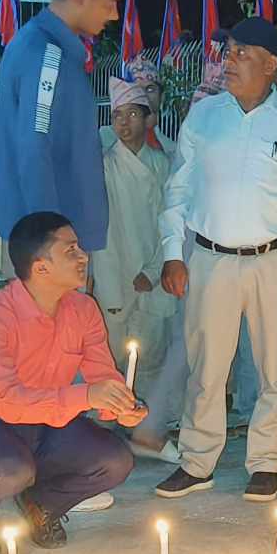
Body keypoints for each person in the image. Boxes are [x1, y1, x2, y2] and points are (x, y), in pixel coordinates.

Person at [153, 17, 277, 503]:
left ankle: (267, 460)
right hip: (210, 257)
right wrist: (173, 252)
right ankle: (197, 460)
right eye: (227, 52)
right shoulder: (204, 117)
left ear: (270, 65)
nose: (227, 62)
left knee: (276, 364)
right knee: (207, 365)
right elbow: (178, 188)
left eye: (239, 54)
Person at [0, 213, 141, 554]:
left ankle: (42, 506)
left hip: (47, 424)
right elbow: (7, 402)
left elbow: (102, 375)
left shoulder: (83, 309)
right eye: (71, 251)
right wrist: (86, 395)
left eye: (79, 248)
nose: (84, 256)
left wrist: (120, 403)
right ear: (41, 268)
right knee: (12, 469)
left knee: (115, 459)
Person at [0, 0, 122, 252]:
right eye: (109, 3)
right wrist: (50, 240)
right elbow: (34, 149)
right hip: (49, 241)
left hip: (55, 234)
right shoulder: (46, 56)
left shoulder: (48, 49)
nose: (115, 15)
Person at [97, 60, 175, 403]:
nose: (123, 123)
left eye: (132, 115)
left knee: (152, 351)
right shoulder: (102, 165)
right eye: (117, 116)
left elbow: (171, 222)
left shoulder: (163, 165)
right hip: (112, 267)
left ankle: (148, 421)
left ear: (148, 120)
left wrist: (154, 270)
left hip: (151, 270)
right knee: (110, 351)